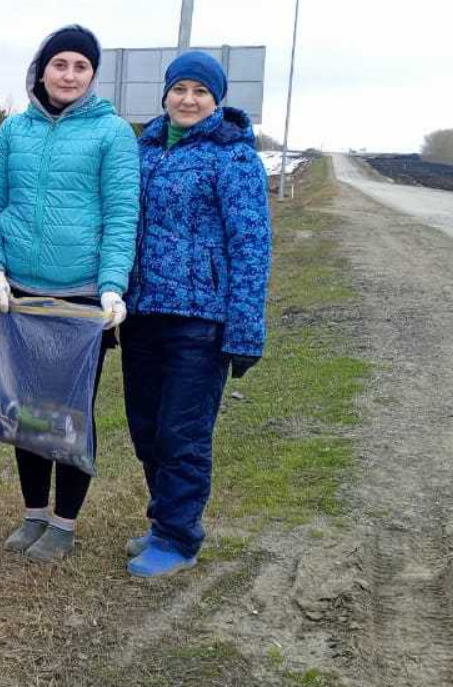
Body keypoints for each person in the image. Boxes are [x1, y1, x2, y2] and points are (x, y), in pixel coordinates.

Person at [0, 25, 137, 562]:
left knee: (69, 412)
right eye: (59, 64)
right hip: (19, 295)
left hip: (81, 299)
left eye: (80, 67)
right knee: (27, 412)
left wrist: (113, 286)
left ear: (92, 75)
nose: (69, 75)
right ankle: (34, 514)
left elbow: (121, 216)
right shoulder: (13, 131)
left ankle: (65, 523)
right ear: (41, 70)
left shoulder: (112, 133)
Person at [119, 50, 271, 578]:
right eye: (179, 89)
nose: (188, 100)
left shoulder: (234, 158)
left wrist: (245, 331)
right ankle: (163, 518)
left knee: (181, 433)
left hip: (199, 320)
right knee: (145, 427)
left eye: (199, 92)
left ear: (216, 99)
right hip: (141, 314)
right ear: (165, 94)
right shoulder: (143, 150)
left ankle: (178, 537)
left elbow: (251, 245)